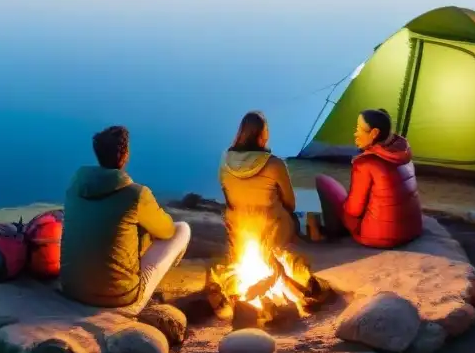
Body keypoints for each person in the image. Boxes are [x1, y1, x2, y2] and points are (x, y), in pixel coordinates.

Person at [60, 125, 191, 314]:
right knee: (182, 229)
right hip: (119, 298)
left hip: (72, 289)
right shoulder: (136, 194)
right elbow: (167, 231)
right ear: (126, 154)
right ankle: (154, 290)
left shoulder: (76, 184)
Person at [315, 108, 423, 248]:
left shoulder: (366, 163)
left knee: (324, 183)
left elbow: (354, 210)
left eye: (359, 128)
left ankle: (332, 233)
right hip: (411, 230)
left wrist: (343, 208)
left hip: (378, 236)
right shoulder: (403, 153)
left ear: (374, 133)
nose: (355, 133)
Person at [219, 111, 298, 247]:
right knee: (293, 220)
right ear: (263, 134)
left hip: (239, 230)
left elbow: (228, 200)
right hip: (270, 231)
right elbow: (290, 204)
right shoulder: (275, 164)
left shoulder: (225, 162)